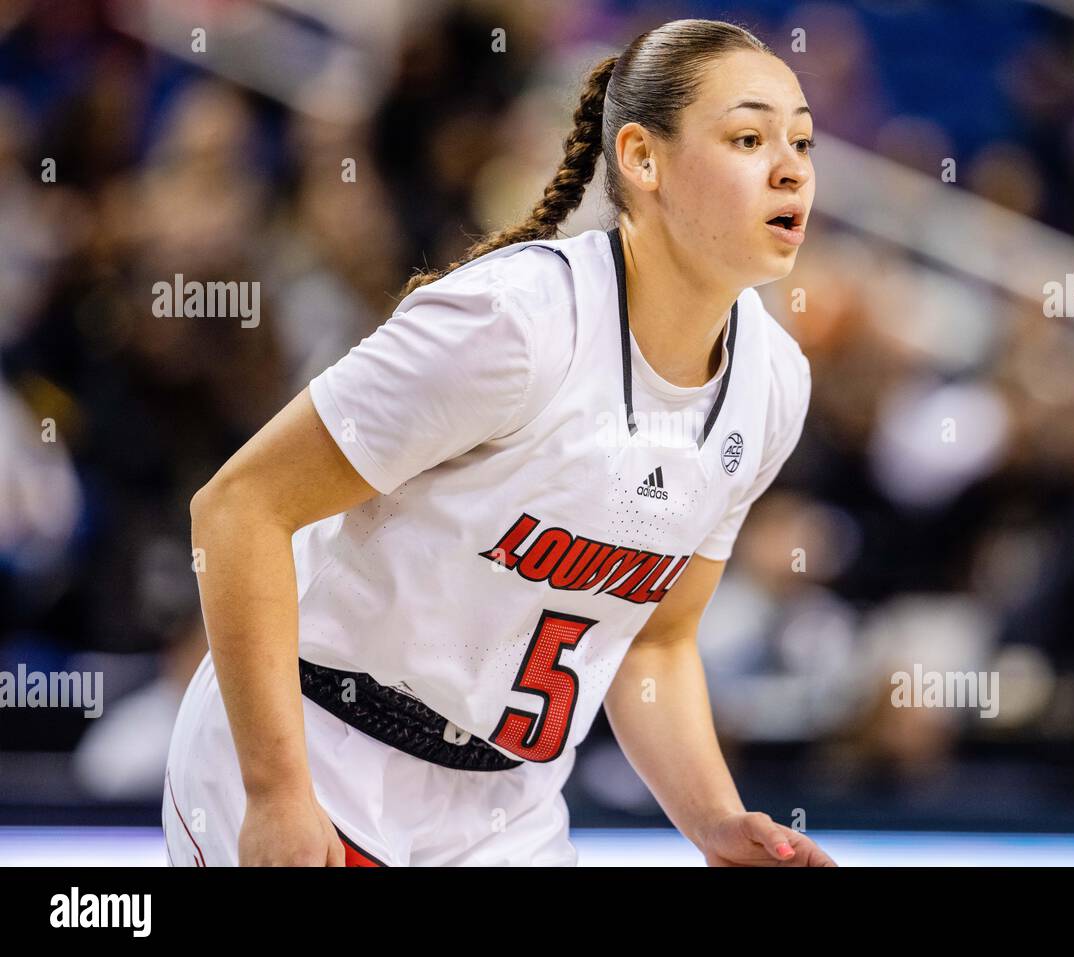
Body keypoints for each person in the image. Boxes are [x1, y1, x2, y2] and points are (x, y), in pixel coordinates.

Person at [163, 17, 833, 867]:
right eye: (748, 137)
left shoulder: (774, 383)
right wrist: (275, 793)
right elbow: (238, 507)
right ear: (642, 157)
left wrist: (712, 820)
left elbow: (656, 639)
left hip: (503, 809)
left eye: (803, 142)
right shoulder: (514, 325)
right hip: (316, 743)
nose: (791, 168)